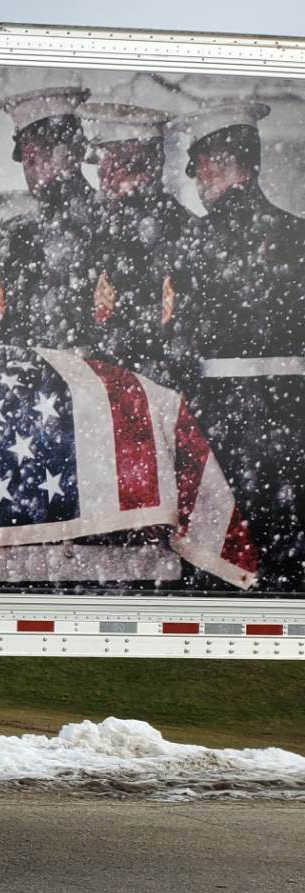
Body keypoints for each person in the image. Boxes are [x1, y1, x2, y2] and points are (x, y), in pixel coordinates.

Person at [173, 100, 305, 592]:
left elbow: (178, 346)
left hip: (221, 430)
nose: (195, 177)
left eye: (199, 165)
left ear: (220, 163)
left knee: (228, 562)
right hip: (295, 429)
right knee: (290, 560)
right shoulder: (299, 236)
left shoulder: (193, 243)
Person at [79, 101, 201, 390]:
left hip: (164, 397)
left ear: (152, 165)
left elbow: (185, 337)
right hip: (102, 403)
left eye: (121, 168)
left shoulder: (184, 231)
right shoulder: (92, 234)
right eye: (102, 171)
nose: (107, 182)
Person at [0, 86, 101, 349]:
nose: (32, 166)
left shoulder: (101, 217)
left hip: (84, 374)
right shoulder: (19, 225)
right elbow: (10, 312)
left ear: (73, 152)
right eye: (27, 157)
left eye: (43, 152)